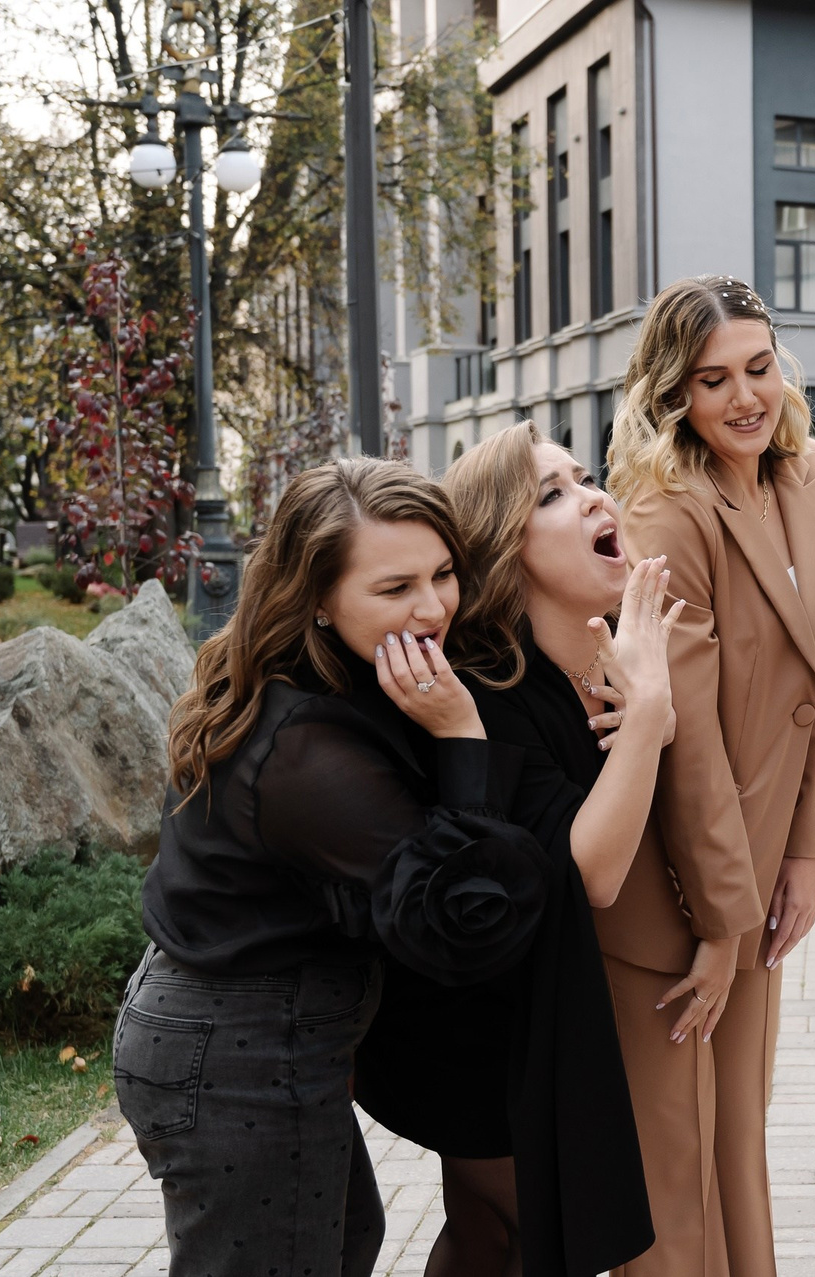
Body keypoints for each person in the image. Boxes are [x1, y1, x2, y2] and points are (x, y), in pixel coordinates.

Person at [124, 458, 547, 1277]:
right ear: (317, 595)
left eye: (443, 573)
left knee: (346, 1239)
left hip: (246, 1033)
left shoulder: (335, 673)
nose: (434, 606)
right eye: (396, 587)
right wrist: (462, 735)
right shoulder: (303, 750)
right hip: (234, 1048)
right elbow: (458, 913)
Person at [350, 421, 673, 1277]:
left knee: (498, 1234)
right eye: (553, 494)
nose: (594, 498)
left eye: (587, 478)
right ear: (504, 548)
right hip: (463, 1010)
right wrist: (649, 713)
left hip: (530, 986)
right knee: (512, 1229)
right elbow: (593, 872)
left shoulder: (599, 661)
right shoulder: (489, 686)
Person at [601, 275, 815, 1276]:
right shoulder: (664, 507)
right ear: (673, 393)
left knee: (739, 1141)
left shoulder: (810, 474)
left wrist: (808, 851)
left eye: (759, 367)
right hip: (678, 882)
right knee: (678, 1173)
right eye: (713, 380)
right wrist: (718, 919)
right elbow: (684, 731)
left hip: (761, 861)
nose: (746, 397)